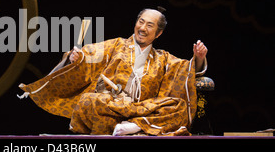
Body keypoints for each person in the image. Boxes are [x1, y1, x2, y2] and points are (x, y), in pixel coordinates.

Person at [18, 8, 208, 136]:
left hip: (143, 108)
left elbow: (184, 71)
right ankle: (135, 128)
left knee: (179, 107)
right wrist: (77, 58)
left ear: (158, 33)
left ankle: (135, 126)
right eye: (141, 22)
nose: (142, 28)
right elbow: (91, 54)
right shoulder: (116, 45)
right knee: (89, 101)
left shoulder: (163, 58)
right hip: (112, 106)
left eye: (149, 25)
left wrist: (198, 58)